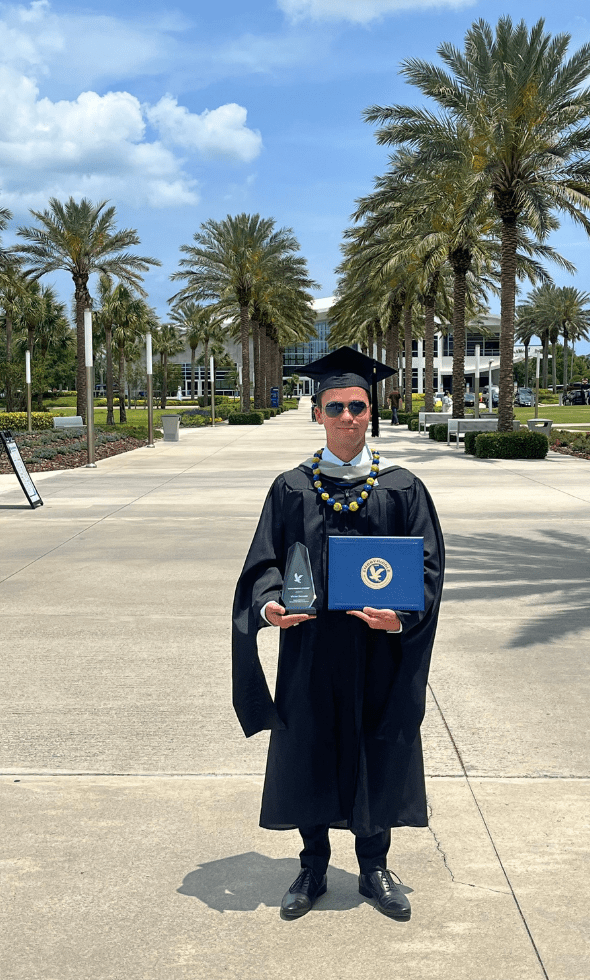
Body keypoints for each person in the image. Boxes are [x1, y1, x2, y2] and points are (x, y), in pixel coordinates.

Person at [232, 347, 445, 922]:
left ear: (371, 411)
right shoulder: (291, 487)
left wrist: (401, 617)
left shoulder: (402, 488)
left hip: (378, 650)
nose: (347, 416)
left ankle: (375, 867)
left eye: (357, 406)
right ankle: (314, 866)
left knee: (376, 746)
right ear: (318, 413)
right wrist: (269, 604)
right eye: (335, 407)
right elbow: (264, 562)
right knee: (309, 746)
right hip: (310, 649)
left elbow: (427, 567)